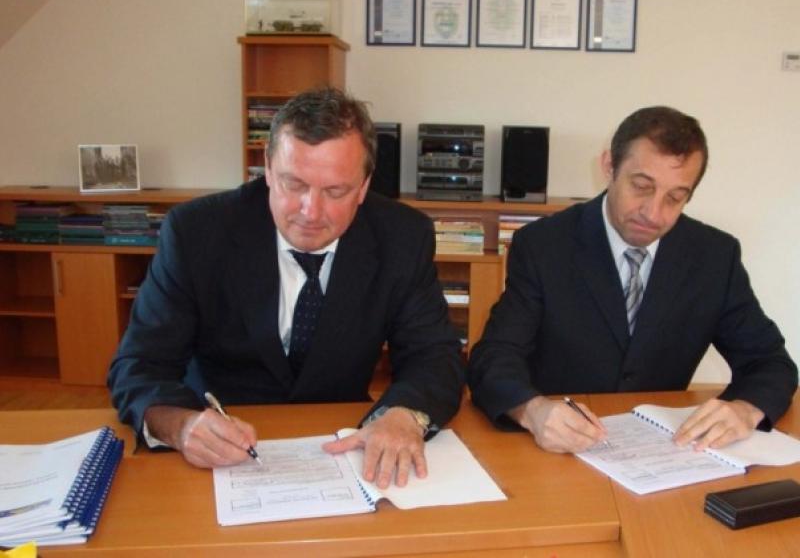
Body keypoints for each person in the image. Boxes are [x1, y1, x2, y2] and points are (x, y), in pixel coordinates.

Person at [108, 87, 465, 488]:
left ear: (364, 186)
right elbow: (139, 365)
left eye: (335, 191)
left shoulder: (402, 237)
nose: (311, 212)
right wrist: (180, 426)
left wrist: (404, 415)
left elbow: (435, 356)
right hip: (216, 455)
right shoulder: (196, 233)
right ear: (267, 168)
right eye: (293, 184)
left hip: (341, 447)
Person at [468, 106, 797, 454]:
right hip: (558, 452)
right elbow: (493, 357)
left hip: (665, 452)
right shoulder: (543, 245)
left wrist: (745, 409)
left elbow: (770, 362)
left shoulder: (714, 256)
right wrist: (532, 410)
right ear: (609, 166)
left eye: (675, 197)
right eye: (641, 186)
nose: (653, 214)